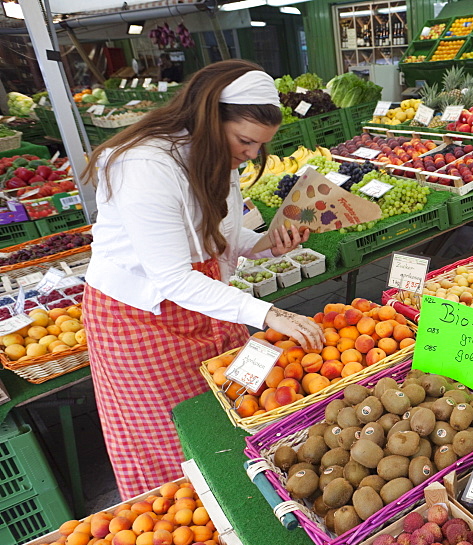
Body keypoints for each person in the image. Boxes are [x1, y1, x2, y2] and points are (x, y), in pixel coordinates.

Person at [81, 60, 324, 498]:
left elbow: (217, 239)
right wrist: (267, 313)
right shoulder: (146, 166)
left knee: (231, 403)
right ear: (211, 117)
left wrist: (267, 241)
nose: (251, 155)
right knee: (170, 428)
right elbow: (173, 276)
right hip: (142, 316)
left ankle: (238, 491)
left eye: (259, 146)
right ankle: (186, 512)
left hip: (205, 300)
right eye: (245, 141)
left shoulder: (216, 155)